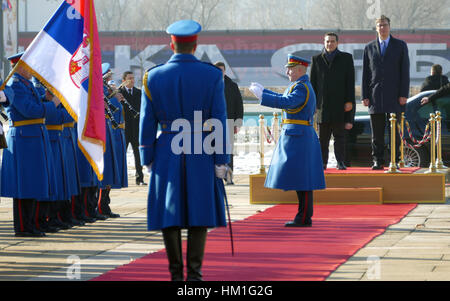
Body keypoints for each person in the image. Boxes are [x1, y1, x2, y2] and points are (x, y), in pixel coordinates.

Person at [139, 20, 229, 281]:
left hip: (167, 147)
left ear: (172, 45)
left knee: (170, 211)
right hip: (201, 147)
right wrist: (221, 159)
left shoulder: (152, 77)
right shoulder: (212, 75)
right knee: (199, 210)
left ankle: (176, 274)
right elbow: (219, 121)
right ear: (196, 45)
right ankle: (195, 274)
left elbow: (147, 122)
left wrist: (147, 156)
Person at [249, 54, 326, 227]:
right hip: (297, 135)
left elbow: (287, 102)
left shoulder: (301, 88)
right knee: (301, 178)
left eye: (290, 68)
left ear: (300, 69)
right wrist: (265, 92)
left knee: (304, 179)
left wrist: (263, 96)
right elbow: (284, 98)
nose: (287, 71)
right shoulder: (299, 85)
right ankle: (303, 215)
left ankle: (304, 217)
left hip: (299, 136)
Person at [1, 52, 61, 237]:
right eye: (29, 66)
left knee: (34, 182)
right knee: (23, 185)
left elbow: (37, 103)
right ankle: (23, 226)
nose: (32, 69)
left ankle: (33, 224)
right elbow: (29, 110)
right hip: (24, 138)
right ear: (19, 67)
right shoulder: (15, 85)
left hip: (34, 137)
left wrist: (48, 99)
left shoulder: (26, 84)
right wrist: (53, 105)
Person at [361, 15, 410, 170]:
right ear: (376, 28)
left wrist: (404, 94)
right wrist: (364, 95)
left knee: (394, 132)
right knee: (377, 133)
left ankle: (394, 160)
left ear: (390, 26)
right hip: (375, 97)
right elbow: (365, 74)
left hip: (395, 96)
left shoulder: (400, 46)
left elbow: (405, 72)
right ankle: (377, 160)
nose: (382, 28)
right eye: (379, 25)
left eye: (385, 25)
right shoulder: (369, 47)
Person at [310, 32, 355, 170]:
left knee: (340, 138)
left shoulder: (346, 58)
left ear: (337, 43)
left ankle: (340, 162)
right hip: (322, 107)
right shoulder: (316, 59)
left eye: (332, 41)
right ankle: (322, 163)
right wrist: (313, 105)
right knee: (322, 139)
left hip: (340, 105)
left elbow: (350, 83)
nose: (330, 44)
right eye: (327, 41)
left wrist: (349, 102)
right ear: (324, 42)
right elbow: (313, 85)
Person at [213, 61, 244, 184]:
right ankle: (215, 176)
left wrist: (238, 123)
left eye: (222, 70)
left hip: (229, 122)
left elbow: (239, 105)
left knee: (228, 151)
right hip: (213, 124)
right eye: (218, 70)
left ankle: (229, 176)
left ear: (225, 71)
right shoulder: (210, 85)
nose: (220, 72)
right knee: (213, 150)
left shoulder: (232, 86)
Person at [119, 71, 146, 186]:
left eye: (133, 78)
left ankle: (139, 178)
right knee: (121, 154)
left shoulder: (139, 93)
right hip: (124, 129)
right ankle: (119, 178)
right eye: (129, 78)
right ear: (123, 80)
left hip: (136, 129)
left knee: (137, 155)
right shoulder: (119, 93)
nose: (132, 80)